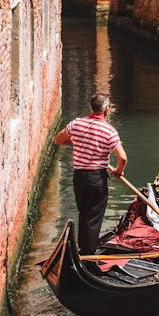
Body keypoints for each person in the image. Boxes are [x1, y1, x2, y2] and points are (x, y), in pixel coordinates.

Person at [54, 92, 127, 254]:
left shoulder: (76, 124)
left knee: (84, 213)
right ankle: (88, 253)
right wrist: (118, 171)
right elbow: (122, 158)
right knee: (93, 217)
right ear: (106, 109)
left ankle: (82, 249)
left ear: (91, 107)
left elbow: (58, 139)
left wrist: (78, 142)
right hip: (97, 178)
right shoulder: (109, 131)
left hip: (79, 177)